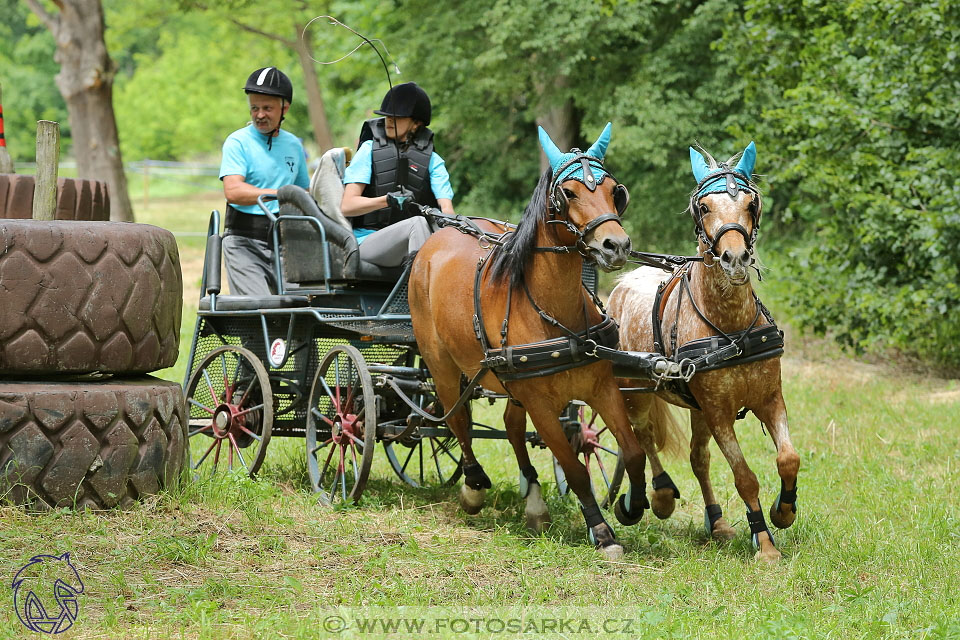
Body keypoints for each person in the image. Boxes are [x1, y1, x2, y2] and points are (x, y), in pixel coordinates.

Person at [340, 82, 454, 268]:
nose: (389, 120)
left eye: (397, 117)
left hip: (417, 242)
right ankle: (421, 294)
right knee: (416, 224)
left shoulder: (433, 160)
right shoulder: (368, 150)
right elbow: (347, 206)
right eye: (386, 115)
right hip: (367, 243)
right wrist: (387, 200)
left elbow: (447, 209)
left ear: (416, 123)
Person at [219, 66, 309, 296]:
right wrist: (279, 193)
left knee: (298, 309)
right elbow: (233, 191)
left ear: (284, 108)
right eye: (254, 108)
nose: (260, 115)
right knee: (259, 309)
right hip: (244, 240)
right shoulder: (237, 142)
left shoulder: (294, 145)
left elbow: (303, 192)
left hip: (287, 242)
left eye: (267, 108)